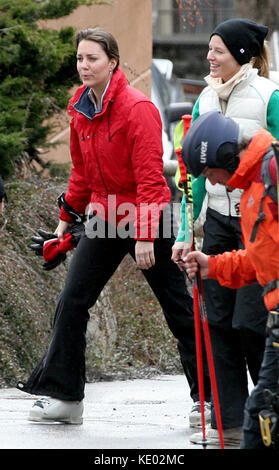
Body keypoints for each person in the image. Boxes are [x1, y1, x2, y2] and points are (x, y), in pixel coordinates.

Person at [17, 27, 210, 425]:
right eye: (79, 59)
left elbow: (151, 181)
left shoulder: (137, 108)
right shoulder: (81, 109)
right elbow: (82, 177)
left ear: (112, 63)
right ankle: (65, 397)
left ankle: (208, 399)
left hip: (148, 215)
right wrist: (63, 225)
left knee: (178, 309)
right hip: (104, 217)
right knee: (72, 301)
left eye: (92, 58)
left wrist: (143, 236)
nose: (83, 66)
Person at [172, 18, 279, 445]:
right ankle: (229, 421)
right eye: (209, 50)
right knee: (216, 320)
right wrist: (185, 232)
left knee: (250, 322)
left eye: (217, 50)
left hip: (260, 214)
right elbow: (193, 177)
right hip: (219, 218)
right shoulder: (204, 101)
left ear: (241, 54)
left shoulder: (269, 95)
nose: (209, 57)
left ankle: (265, 399)